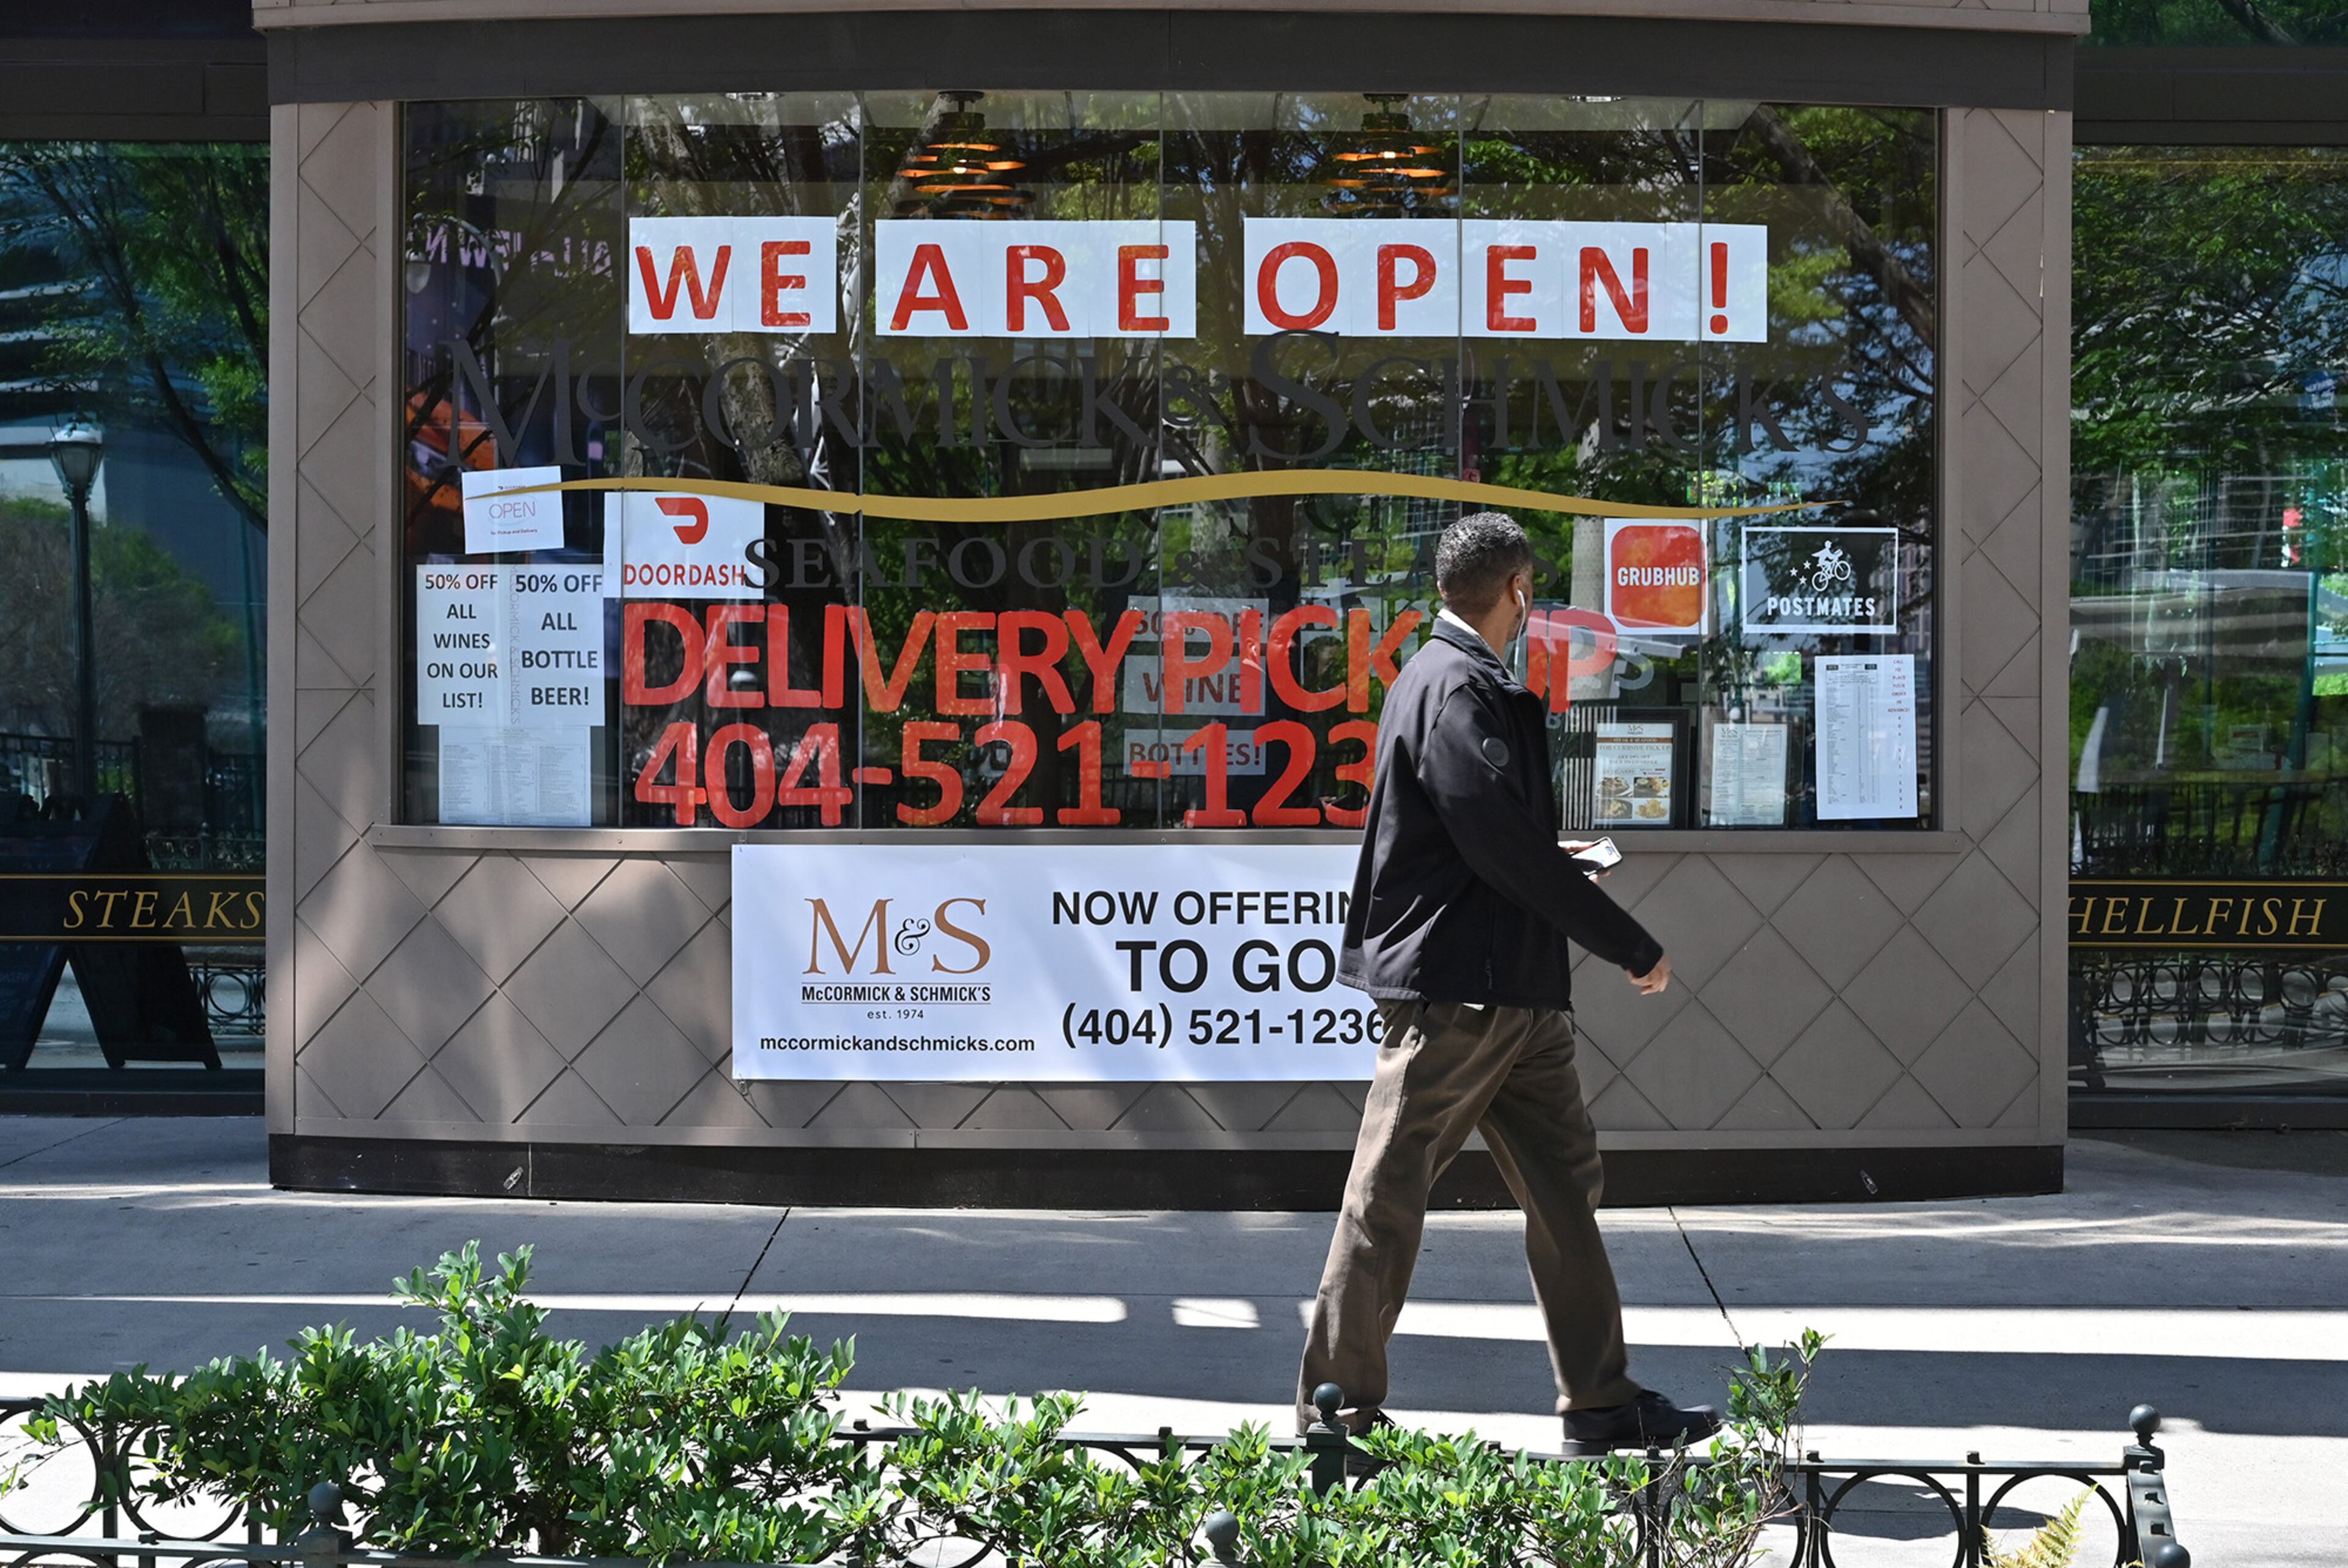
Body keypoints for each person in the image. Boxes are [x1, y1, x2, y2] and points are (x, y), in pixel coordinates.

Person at [1297, 510, 1719, 1457]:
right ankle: (1335, 1419)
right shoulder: (1455, 687)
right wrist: (1627, 940)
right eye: (1537, 590)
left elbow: (1483, 832)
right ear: (1520, 590)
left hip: (1514, 996)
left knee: (1564, 1188)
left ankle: (1601, 1400)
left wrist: (1551, 856)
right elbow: (1491, 841)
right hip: (1465, 991)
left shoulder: (1453, 682)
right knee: (1386, 1195)